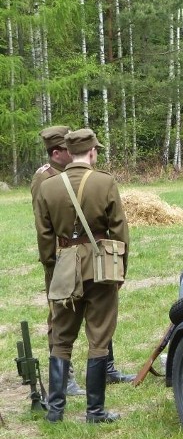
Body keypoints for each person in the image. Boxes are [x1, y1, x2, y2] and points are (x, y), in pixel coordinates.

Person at [35, 128, 129, 422]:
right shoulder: (105, 182)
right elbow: (120, 231)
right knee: (99, 338)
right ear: (91, 152)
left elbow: (44, 237)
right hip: (101, 268)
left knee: (61, 339)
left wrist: (54, 267)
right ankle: (95, 411)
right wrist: (120, 268)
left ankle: (55, 411)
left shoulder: (47, 187)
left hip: (64, 266)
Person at [31, 126, 87, 397]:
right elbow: (44, 226)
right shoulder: (45, 179)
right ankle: (63, 379)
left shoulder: (66, 174)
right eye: (68, 148)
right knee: (60, 314)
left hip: (78, 252)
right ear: (57, 153)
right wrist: (52, 261)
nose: (74, 151)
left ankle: (105, 367)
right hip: (59, 257)